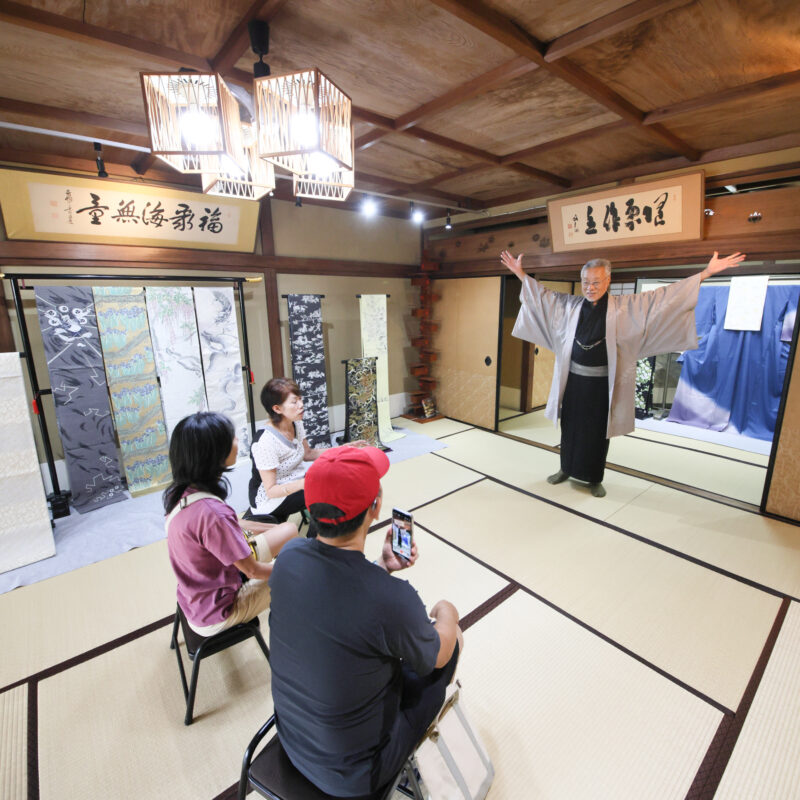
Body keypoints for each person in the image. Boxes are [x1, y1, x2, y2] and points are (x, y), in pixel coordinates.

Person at [268, 446, 463, 797]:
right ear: (375, 508)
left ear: (310, 508)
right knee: (448, 649)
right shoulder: (391, 598)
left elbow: (340, 599)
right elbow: (438, 656)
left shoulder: (289, 558)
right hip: (356, 774)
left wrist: (382, 565)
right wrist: (448, 612)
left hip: (293, 740)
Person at [500, 249, 746, 497]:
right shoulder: (570, 305)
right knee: (570, 426)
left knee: (598, 430)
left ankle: (594, 478)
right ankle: (565, 468)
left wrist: (705, 273)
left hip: (602, 383)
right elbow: (543, 297)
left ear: (608, 281)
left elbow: (662, 298)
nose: (590, 287)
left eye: (596, 282)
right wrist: (520, 273)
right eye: (586, 282)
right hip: (573, 380)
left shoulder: (625, 307)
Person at [164, 412, 297, 635]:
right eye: (232, 438)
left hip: (198, 593)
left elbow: (235, 523)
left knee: (289, 530)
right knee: (302, 572)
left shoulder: (182, 494)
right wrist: (294, 570)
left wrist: (273, 530)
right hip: (219, 610)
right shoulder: (212, 513)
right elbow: (252, 571)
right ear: (214, 454)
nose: (237, 441)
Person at [248, 377, 366, 523]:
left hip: (296, 480)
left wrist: (343, 449)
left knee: (338, 475)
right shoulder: (265, 441)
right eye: (294, 402)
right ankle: (316, 540)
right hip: (270, 499)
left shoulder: (296, 423)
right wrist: (306, 483)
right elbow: (271, 491)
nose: (301, 405)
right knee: (326, 493)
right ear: (277, 408)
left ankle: (326, 529)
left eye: (300, 399)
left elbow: (308, 453)